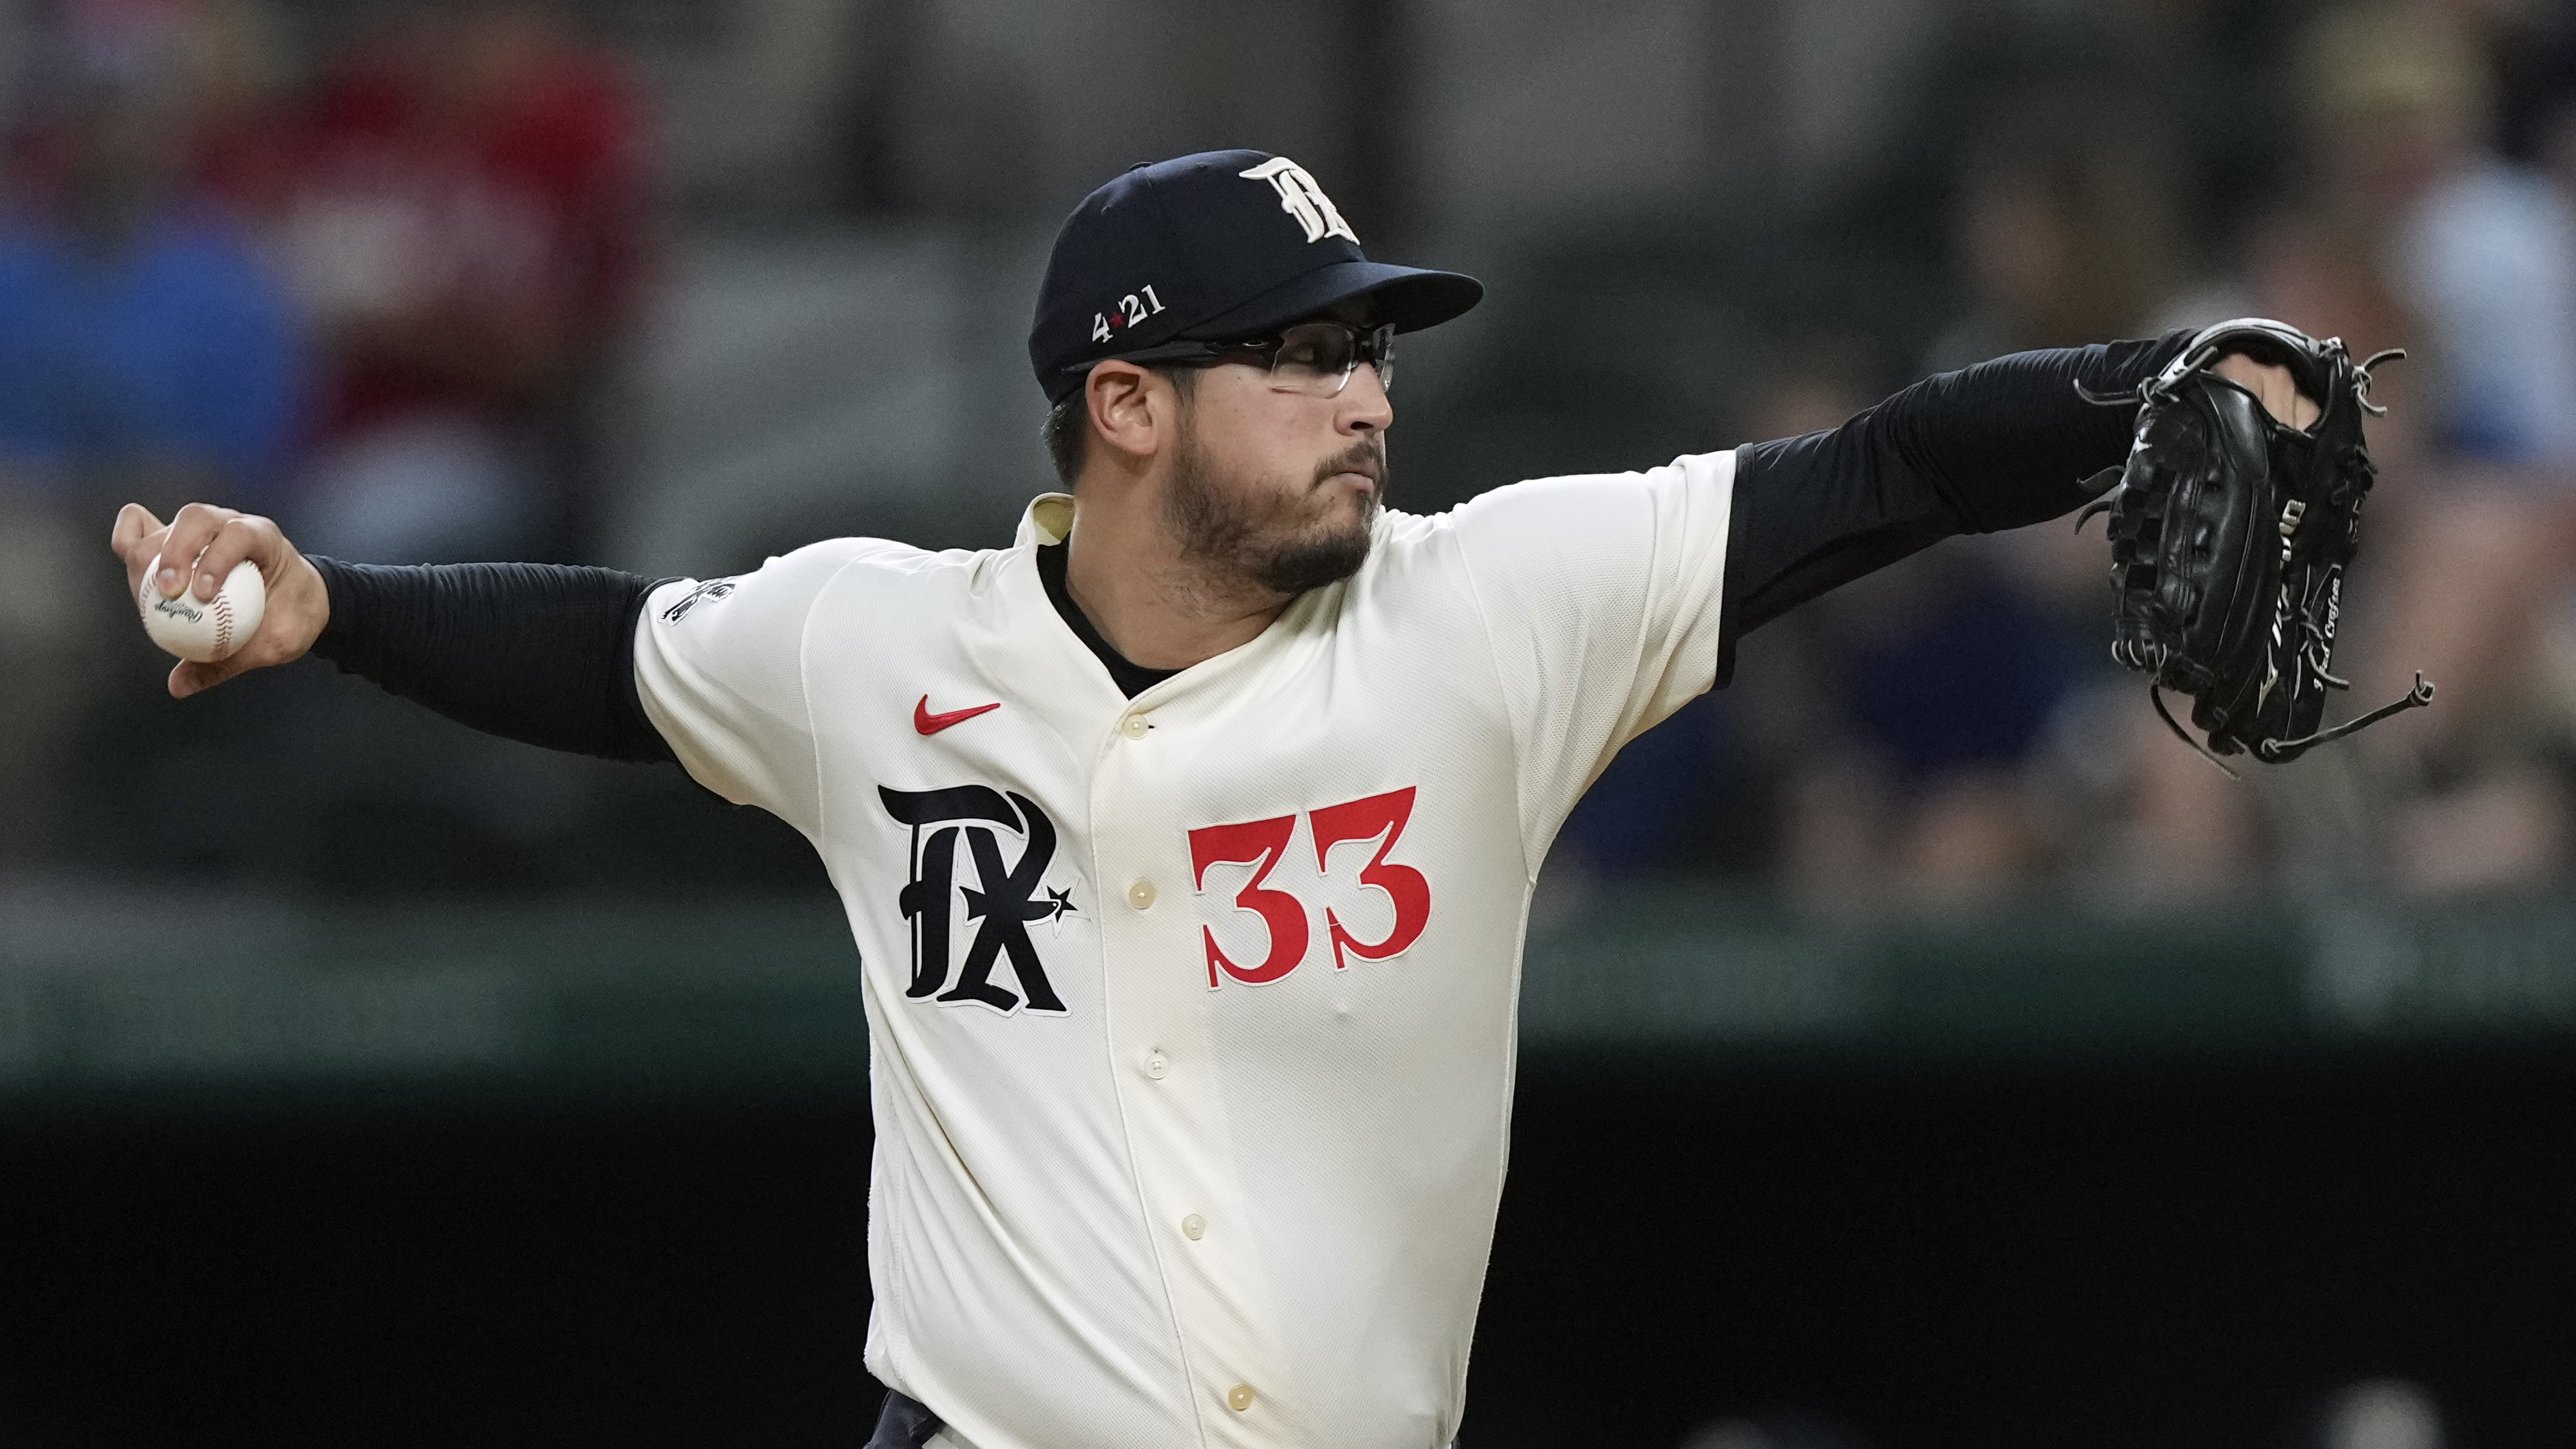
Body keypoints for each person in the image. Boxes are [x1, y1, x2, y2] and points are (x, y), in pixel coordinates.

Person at [108, 151, 2319, 1449]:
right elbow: (610, 648)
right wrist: (337, 603)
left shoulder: (1489, 612)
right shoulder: (884, 641)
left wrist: (2148, 378)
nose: (1365, 393)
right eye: (1303, 355)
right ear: (1126, 401)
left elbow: (1886, 473)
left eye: (1373, 349)